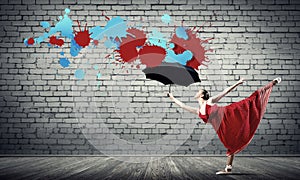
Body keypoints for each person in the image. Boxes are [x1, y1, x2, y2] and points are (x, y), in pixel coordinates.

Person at [167, 77, 281, 175]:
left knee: (250, 102)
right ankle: (228, 168)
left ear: (201, 95)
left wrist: (238, 82)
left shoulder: (210, 101)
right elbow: (182, 105)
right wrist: (172, 98)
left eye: (198, 91)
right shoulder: (198, 111)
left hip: (230, 115)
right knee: (230, 143)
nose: (196, 92)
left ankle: (271, 84)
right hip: (221, 127)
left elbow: (225, 91)